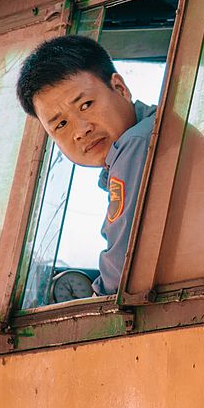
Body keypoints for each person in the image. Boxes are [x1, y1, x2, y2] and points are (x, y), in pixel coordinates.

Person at [16, 35, 155, 296]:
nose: (81, 131)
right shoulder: (148, 133)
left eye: (86, 105)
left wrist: (95, 299)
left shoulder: (137, 143)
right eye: (61, 125)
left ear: (120, 89)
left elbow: (123, 269)